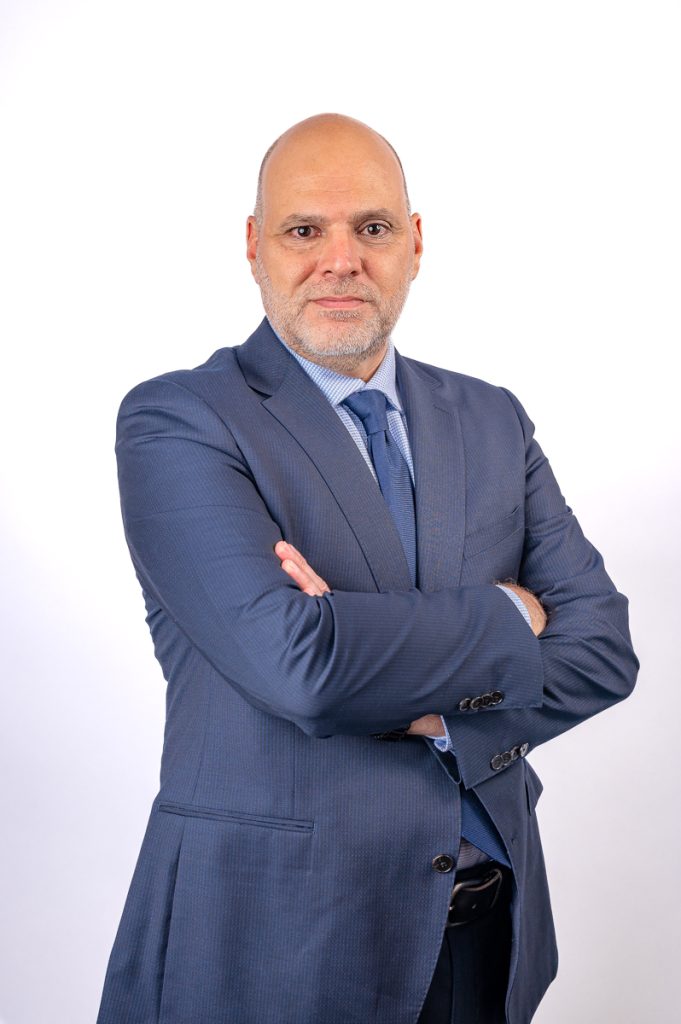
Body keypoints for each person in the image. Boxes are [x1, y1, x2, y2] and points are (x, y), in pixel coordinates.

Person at [96, 113, 639, 1024]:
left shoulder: (490, 418)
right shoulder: (180, 420)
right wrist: (510, 613)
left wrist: (402, 686)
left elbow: (605, 650)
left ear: (415, 243)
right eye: (304, 230)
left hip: (483, 942)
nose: (340, 258)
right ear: (253, 246)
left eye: (372, 228)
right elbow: (301, 669)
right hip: (269, 945)